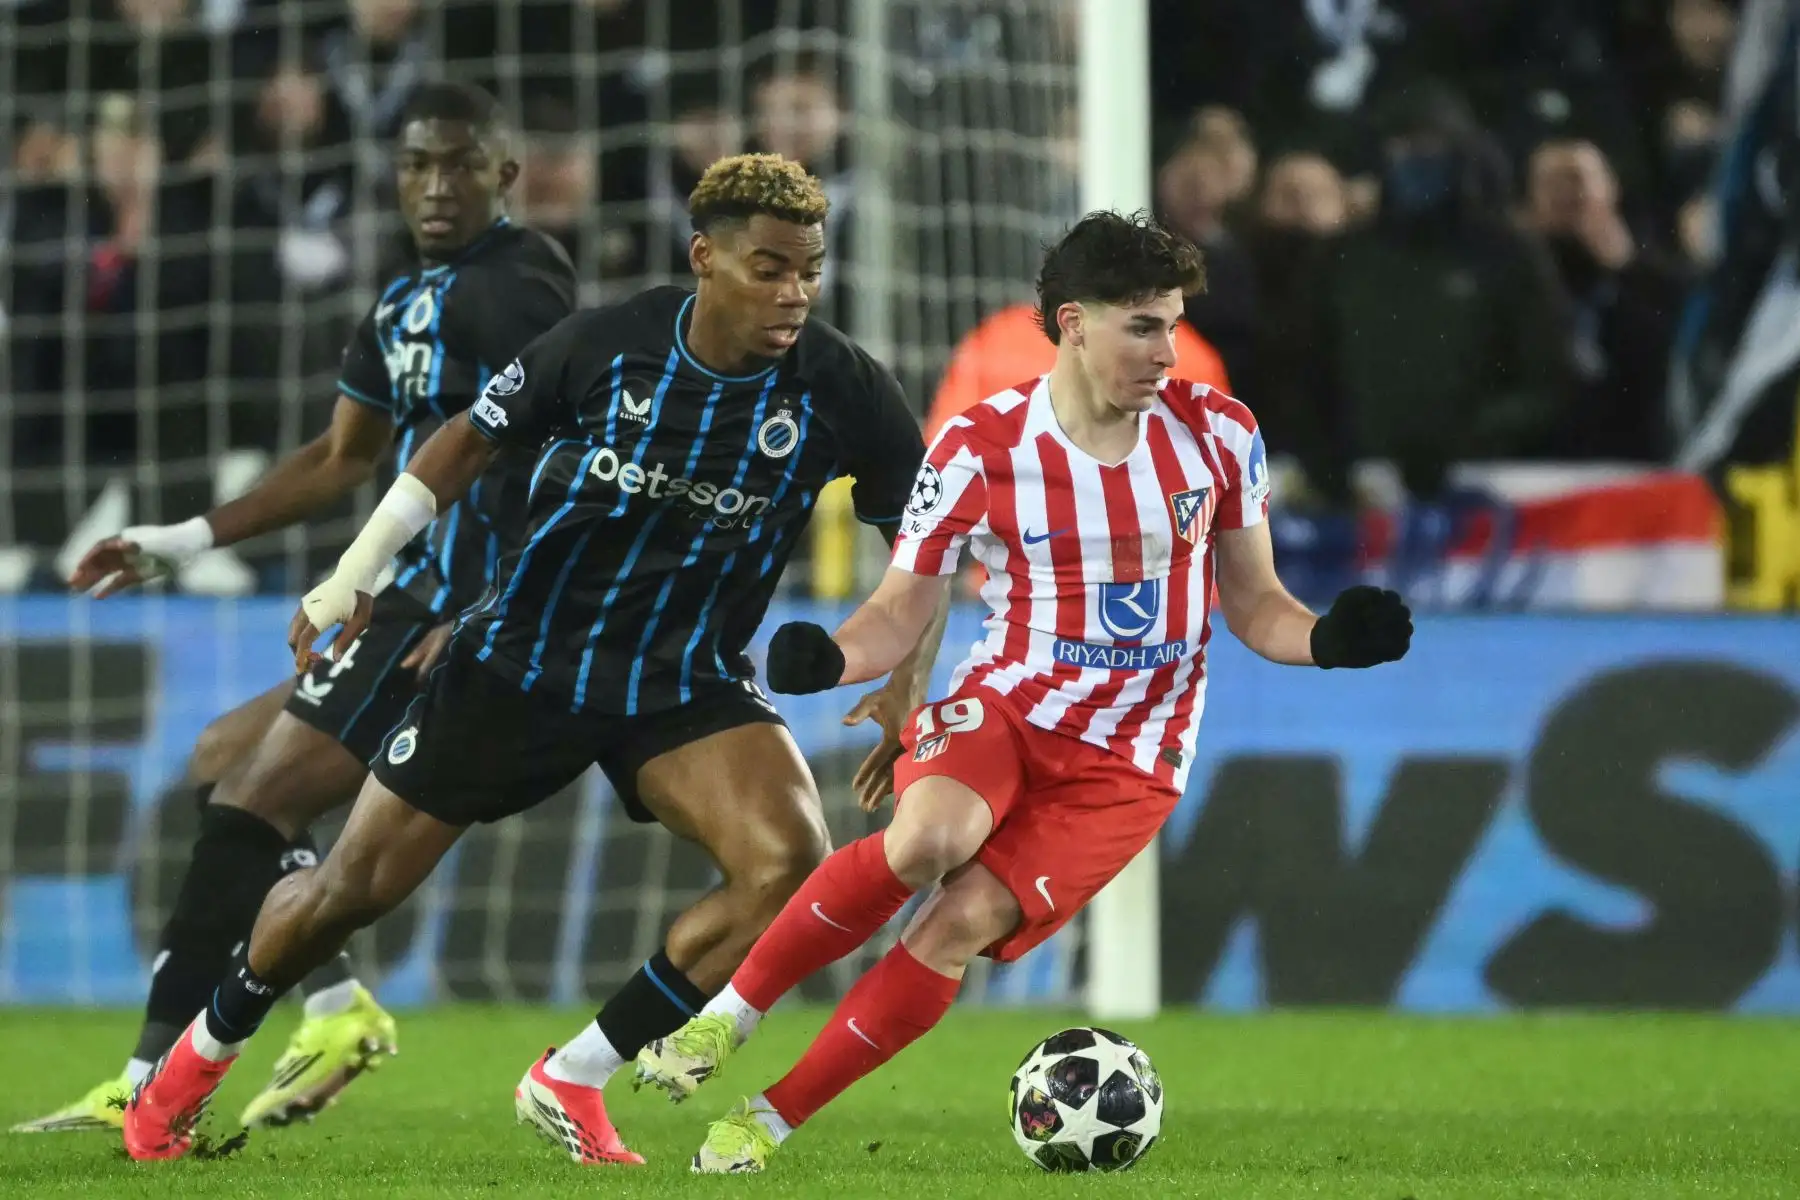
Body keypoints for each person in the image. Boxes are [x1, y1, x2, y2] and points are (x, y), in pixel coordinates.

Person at [121, 152, 944, 1165]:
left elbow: (924, 546)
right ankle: (191, 1066)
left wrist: (905, 685)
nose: (794, 293)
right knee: (348, 892)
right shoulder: (607, 344)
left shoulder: (841, 386)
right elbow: (464, 441)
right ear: (704, 258)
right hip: (520, 663)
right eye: (769, 267)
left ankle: (575, 1076)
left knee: (784, 863)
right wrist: (355, 571)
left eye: (808, 270)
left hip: (679, 680)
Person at [631, 210, 1415, 1174]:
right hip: (1009, 703)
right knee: (928, 840)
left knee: (956, 923)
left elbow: (1255, 607)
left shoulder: (1220, 435)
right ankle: (729, 1016)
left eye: (1171, 324)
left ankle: (769, 1119)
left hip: (1134, 759)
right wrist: (831, 659)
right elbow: (896, 609)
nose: (1166, 350)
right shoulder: (979, 447)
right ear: (1074, 324)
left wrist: (1331, 639)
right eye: (1142, 325)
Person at [15, 81, 578, 1136]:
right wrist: (181, 540)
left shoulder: (518, 285)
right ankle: (332, 1005)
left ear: (505, 175)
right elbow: (336, 460)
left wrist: (504, 599)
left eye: (459, 163)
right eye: (416, 164)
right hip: (410, 596)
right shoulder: (408, 297)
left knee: (253, 798)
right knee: (225, 763)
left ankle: (152, 1083)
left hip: (462, 606)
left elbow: (562, 445)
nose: (435, 185)